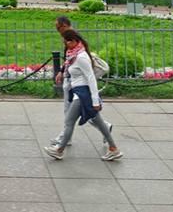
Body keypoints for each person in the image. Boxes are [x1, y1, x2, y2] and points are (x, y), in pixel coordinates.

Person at [44, 28, 121, 161]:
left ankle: (59, 150)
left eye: (68, 42)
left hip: (82, 94)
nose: (66, 45)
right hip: (80, 93)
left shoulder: (81, 57)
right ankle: (113, 148)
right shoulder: (73, 55)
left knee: (69, 121)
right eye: (65, 42)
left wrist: (95, 101)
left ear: (75, 41)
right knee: (100, 123)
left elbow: (91, 78)